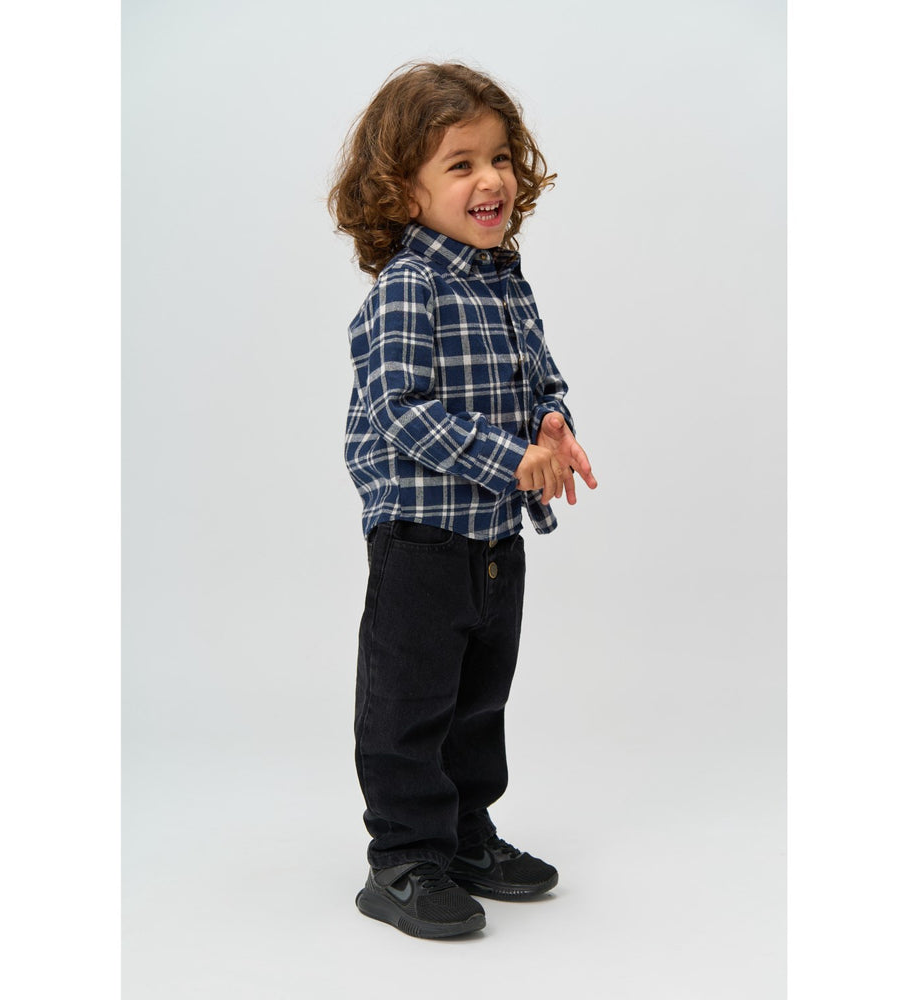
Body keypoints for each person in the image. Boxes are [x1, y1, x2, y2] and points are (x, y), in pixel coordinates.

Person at [328, 61, 597, 939]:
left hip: (491, 540)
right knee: (409, 705)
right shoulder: (412, 285)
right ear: (402, 189)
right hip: (421, 541)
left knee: (478, 700)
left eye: (501, 158)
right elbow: (400, 412)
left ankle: (466, 834)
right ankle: (404, 857)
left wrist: (551, 424)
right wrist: (511, 458)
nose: (492, 180)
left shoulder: (503, 277)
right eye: (461, 163)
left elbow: (540, 377)